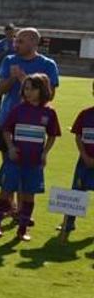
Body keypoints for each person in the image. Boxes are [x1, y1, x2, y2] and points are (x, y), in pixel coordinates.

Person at [0, 27, 59, 222]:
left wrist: (24, 80)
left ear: (33, 42)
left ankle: (22, 211)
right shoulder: (9, 60)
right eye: (15, 41)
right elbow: (0, 90)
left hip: (32, 127)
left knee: (28, 168)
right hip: (8, 121)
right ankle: (10, 206)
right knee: (9, 165)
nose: (16, 44)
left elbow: (50, 95)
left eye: (20, 41)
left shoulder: (47, 64)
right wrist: (13, 77)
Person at [0, 73, 58, 241]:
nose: (28, 92)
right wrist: (11, 147)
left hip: (34, 161)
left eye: (33, 89)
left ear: (42, 90)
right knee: (5, 192)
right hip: (14, 160)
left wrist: (45, 153)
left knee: (29, 194)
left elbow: (52, 135)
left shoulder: (49, 113)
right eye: (26, 89)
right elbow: (6, 130)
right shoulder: (18, 109)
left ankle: (22, 230)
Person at [60, 80, 94, 241]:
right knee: (77, 192)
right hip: (85, 162)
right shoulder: (85, 114)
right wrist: (85, 155)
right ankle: (68, 222)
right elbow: (78, 136)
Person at [0, 24, 16, 123]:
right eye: (7, 32)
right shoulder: (0, 43)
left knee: (13, 97)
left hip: (14, 74)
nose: (9, 34)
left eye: (11, 32)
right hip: (1, 73)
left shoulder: (17, 43)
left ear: (14, 32)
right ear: (5, 32)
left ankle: (11, 117)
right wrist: (4, 52)